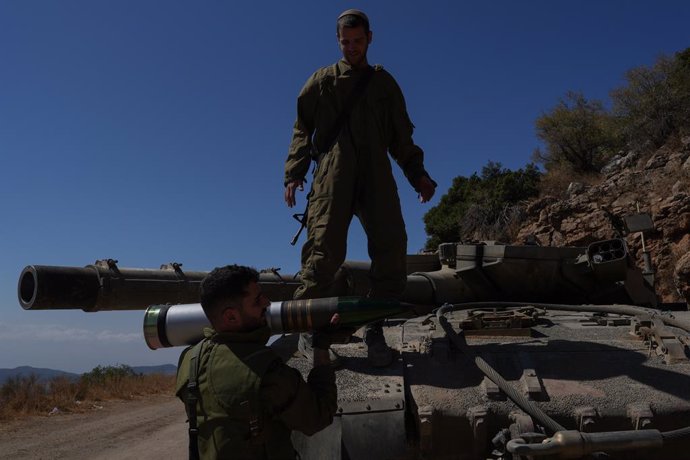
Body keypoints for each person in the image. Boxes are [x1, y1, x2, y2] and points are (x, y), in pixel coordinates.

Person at [284, 9, 436, 367]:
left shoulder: (384, 84)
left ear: (370, 38)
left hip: (376, 174)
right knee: (322, 252)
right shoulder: (322, 81)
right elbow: (301, 128)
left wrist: (419, 175)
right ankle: (309, 330)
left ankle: (374, 327)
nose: (352, 48)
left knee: (391, 248)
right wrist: (294, 172)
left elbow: (402, 137)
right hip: (332, 174)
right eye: (345, 42)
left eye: (358, 40)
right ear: (338, 41)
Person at [176, 265, 338, 460]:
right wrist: (320, 347)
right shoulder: (265, 371)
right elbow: (318, 417)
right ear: (231, 316)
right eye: (256, 301)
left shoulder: (189, 360)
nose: (267, 303)